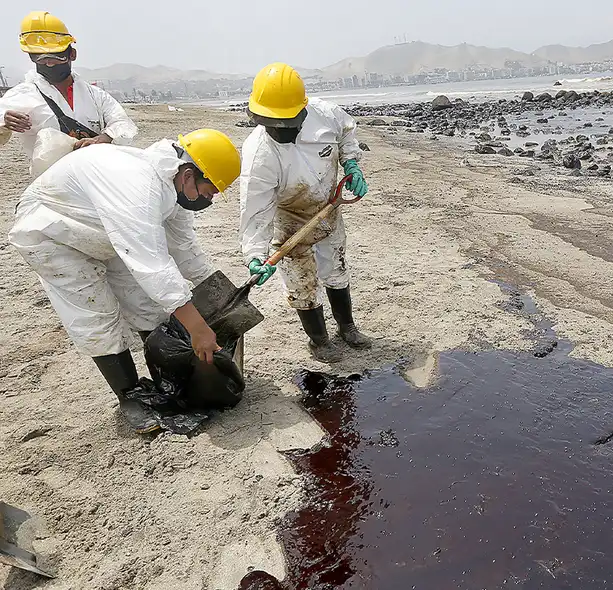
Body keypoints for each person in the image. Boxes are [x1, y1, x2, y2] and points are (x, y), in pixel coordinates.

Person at [8, 129, 242, 435]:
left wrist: (226, 298)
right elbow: (153, 266)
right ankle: (130, 396)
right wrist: (198, 329)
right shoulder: (139, 188)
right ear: (188, 175)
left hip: (105, 230)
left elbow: (185, 249)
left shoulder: (172, 187)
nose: (209, 200)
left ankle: (169, 378)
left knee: (145, 304)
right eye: (209, 192)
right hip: (53, 231)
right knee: (97, 313)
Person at [239, 62, 371, 360]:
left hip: (328, 207)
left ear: (302, 111)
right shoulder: (259, 155)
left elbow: (346, 134)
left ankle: (347, 327)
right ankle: (319, 340)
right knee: (301, 282)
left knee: (336, 268)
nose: (281, 130)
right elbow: (255, 210)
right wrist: (255, 255)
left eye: (288, 122)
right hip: (289, 221)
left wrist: (351, 162)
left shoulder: (327, 115)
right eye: (273, 124)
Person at [0, 11, 138, 173]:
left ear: (72, 54)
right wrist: (4, 123)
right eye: (41, 58)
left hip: (96, 175)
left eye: (56, 57)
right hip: (51, 181)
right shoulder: (22, 95)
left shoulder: (95, 95)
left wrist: (103, 138)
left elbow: (123, 123)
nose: (49, 64)